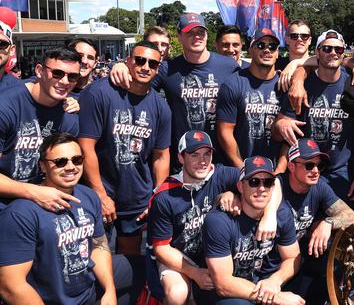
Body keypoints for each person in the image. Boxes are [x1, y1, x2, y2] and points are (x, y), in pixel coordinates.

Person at [0, 133, 143, 304]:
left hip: (87, 290)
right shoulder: (20, 213)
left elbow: (99, 246)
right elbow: (11, 286)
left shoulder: (89, 196)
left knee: (143, 266)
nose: (70, 167)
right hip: (50, 299)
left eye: (77, 160)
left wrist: (109, 290)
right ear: (43, 166)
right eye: (60, 162)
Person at [148, 130, 282, 305]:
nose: (202, 161)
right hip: (180, 256)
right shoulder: (165, 196)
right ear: (181, 158)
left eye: (207, 154)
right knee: (177, 293)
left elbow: (273, 180)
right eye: (194, 155)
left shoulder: (221, 174)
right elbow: (161, 248)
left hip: (215, 252)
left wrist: (270, 215)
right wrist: (194, 273)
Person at [110, 13, 240, 169]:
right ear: (179, 37)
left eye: (200, 32)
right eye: (190, 33)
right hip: (182, 160)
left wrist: (278, 75)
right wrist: (122, 66)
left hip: (219, 158)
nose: (196, 37)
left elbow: (253, 82)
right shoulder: (167, 69)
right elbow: (137, 83)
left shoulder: (228, 66)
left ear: (206, 36)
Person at [78, 40, 171, 255]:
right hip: (98, 193)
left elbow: (161, 156)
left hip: (136, 198)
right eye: (140, 60)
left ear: (158, 68)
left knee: (130, 258)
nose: (145, 67)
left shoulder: (160, 107)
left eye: (152, 64)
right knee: (94, 257)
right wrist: (100, 195)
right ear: (128, 61)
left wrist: (156, 197)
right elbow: (86, 147)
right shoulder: (99, 93)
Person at [273, 30, 354, 224]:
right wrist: (280, 123)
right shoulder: (301, 85)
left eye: (338, 49)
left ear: (344, 54)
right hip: (306, 170)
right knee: (305, 226)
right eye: (327, 48)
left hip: (341, 173)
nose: (333, 52)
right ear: (317, 52)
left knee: (340, 229)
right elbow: (278, 135)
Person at [202, 156, 304, 305]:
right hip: (230, 295)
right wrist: (275, 297)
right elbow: (223, 285)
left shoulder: (281, 214)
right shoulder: (219, 221)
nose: (261, 188)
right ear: (241, 186)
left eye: (267, 182)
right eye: (254, 182)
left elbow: (292, 258)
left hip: (265, 285)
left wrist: (275, 281)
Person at [280, 138, 354, 303]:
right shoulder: (274, 187)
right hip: (274, 263)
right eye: (309, 165)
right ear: (291, 166)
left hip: (301, 257)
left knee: (334, 267)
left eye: (319, 166)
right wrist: (228, 196)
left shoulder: (319, 186)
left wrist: (327, 223)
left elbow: (351, 216)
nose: (315, 170)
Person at [0, 48, 80, 209]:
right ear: (39, 71)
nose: (65, 81)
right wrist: (34, 192)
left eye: (72, 76)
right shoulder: (6, 107)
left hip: (46, 205)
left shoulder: (69, 116)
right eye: (57, 73)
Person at [216, 28, 284, 169]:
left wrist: (280, 171)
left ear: (277, 53)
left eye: (272, 46)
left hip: (275, 171)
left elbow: (290, 136)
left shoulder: (286, 86)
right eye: (260, 45)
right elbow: (225, 132)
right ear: (251, 50)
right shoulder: (233, 84)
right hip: (241, 168)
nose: (267, 50)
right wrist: (242, 168)